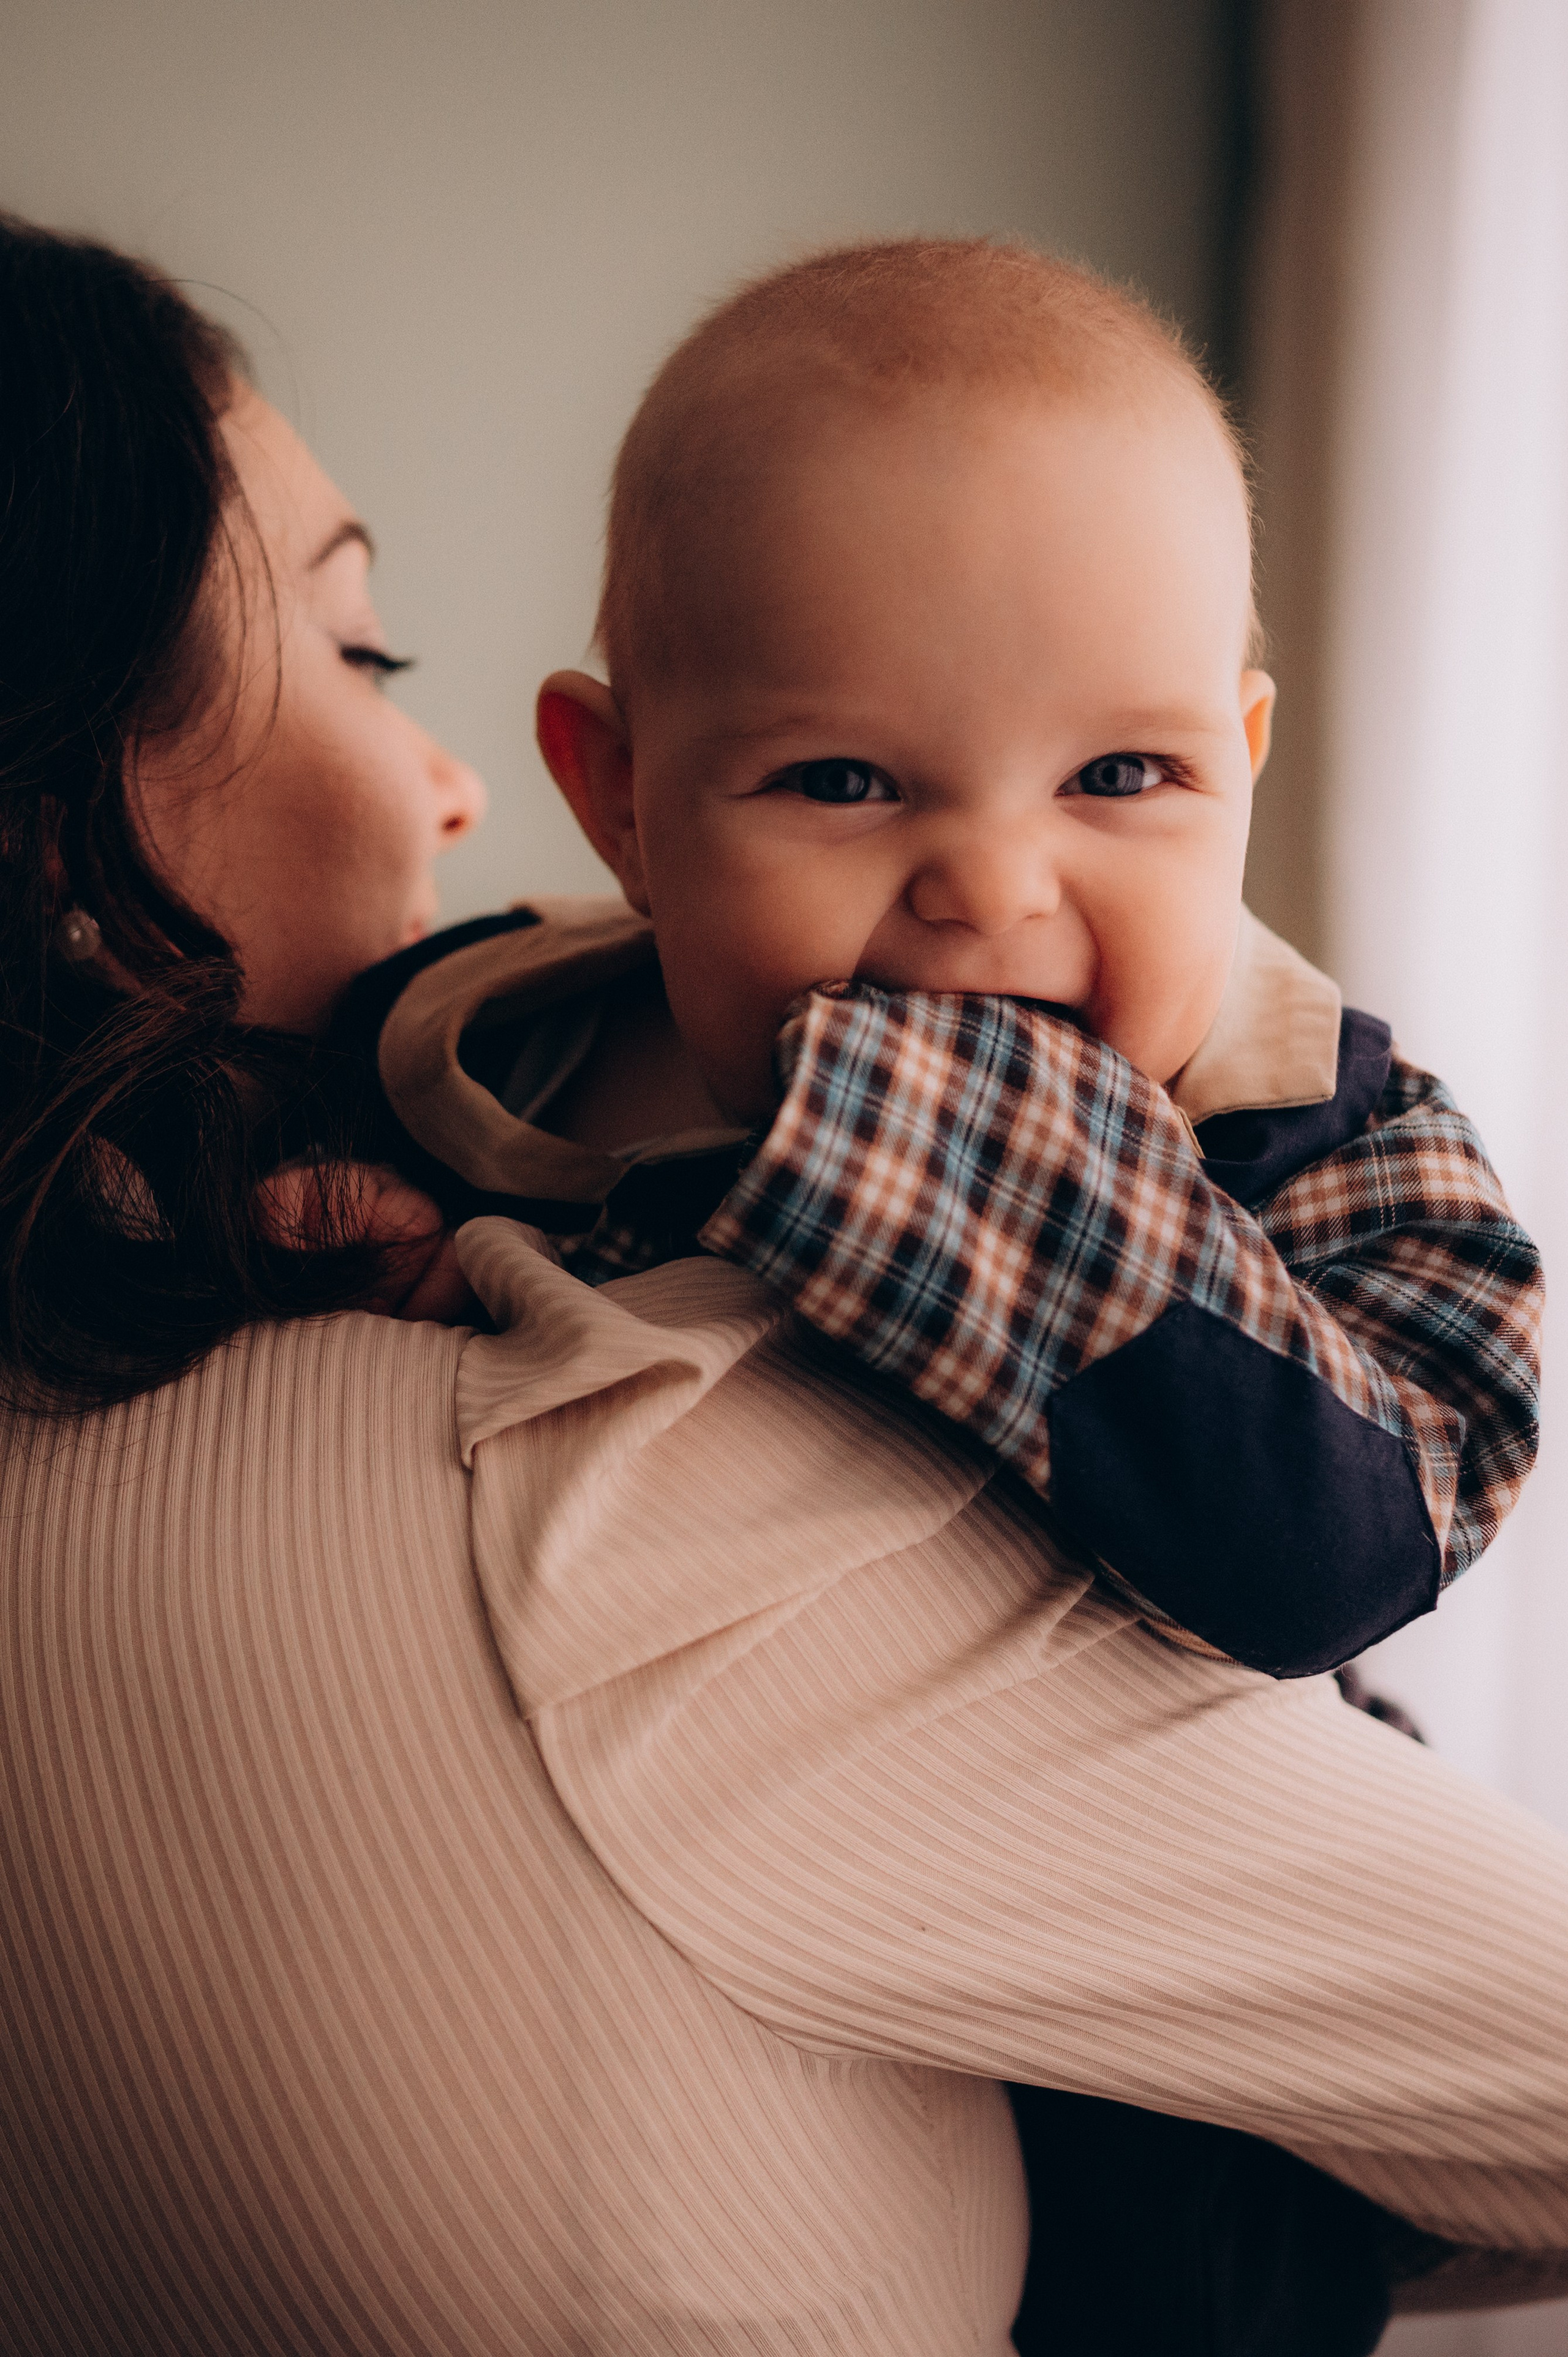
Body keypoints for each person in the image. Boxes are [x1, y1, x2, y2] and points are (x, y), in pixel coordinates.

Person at [2, 213, 1566, 2357]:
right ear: (621, 792)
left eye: (1128, 774)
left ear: (1242, 756)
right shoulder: (598, 1437)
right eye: (843, 779)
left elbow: (1355, 1525)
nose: (997, 885)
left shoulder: (1296, 1119)